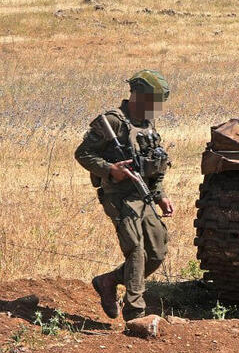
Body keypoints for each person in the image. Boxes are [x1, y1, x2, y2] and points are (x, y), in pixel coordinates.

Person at [74, 70, 173, 321]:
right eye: (154, 100)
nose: (157, 106)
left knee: (157, 252)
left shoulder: (147, 125)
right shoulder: (113, 121)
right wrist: (110, 169)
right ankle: (135, 312)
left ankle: (108, 281)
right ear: (137, 96)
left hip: (144, 195)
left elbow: (156, 164)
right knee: (136, 249)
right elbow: (83, 154)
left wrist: (159, 194)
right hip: (118, 196)